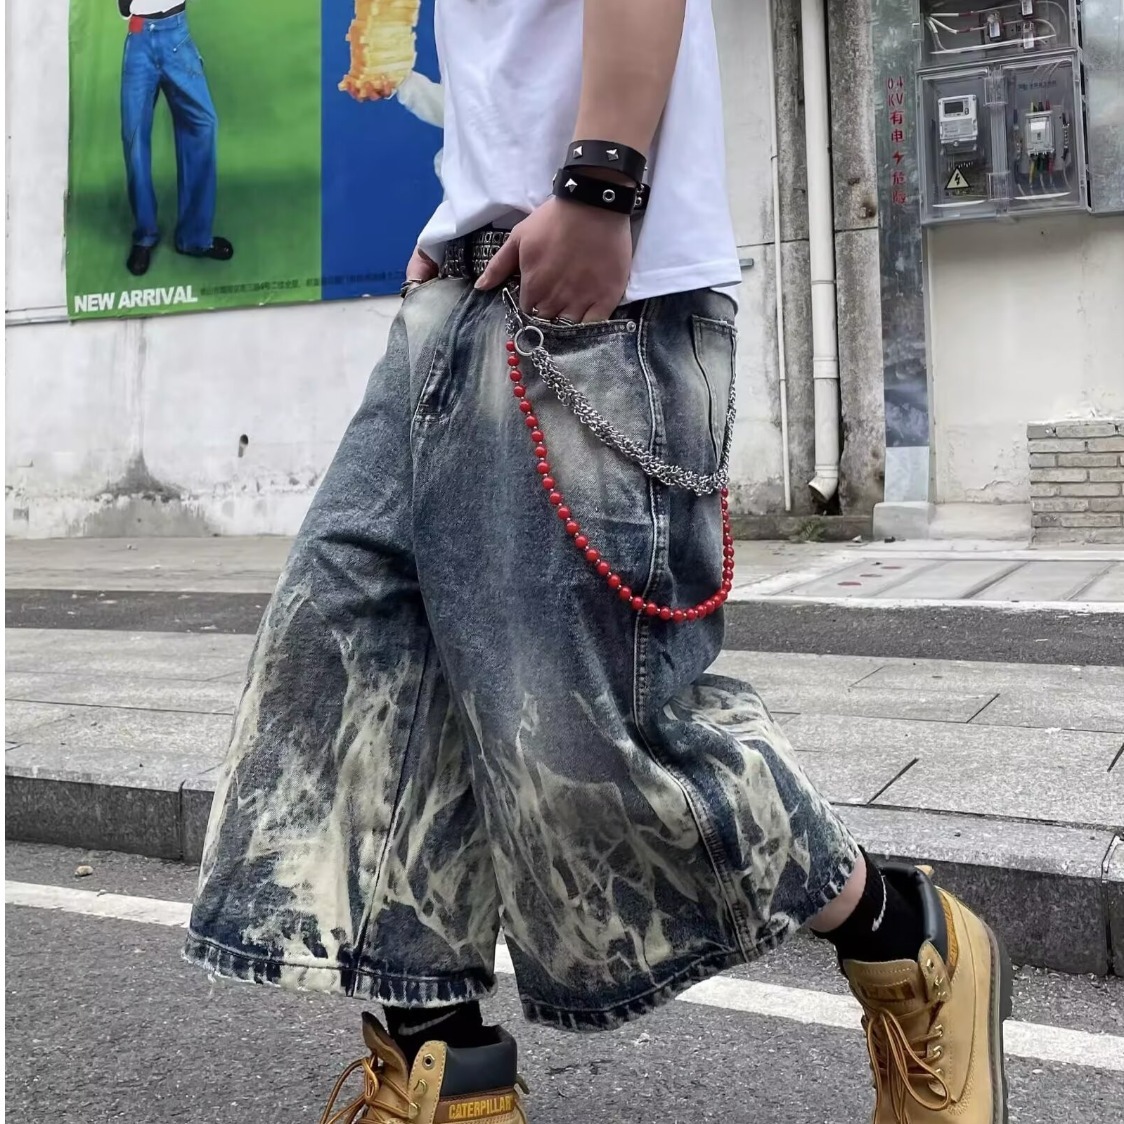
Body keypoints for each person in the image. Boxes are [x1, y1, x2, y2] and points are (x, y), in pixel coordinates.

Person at [185, 2, 1011, 1122]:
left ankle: (908, 941)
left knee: (584, 731)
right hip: (468, 287)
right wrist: (461, 205)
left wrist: (602, 179)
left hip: (599, 290)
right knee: (344, 675)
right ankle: (447, 1074)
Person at [117, 0, 232, 276]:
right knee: (134, 137)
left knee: (203, 124)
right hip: (139, 37)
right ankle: (145, 235)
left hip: (176, 35)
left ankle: (194, 237)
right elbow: (124, 8)